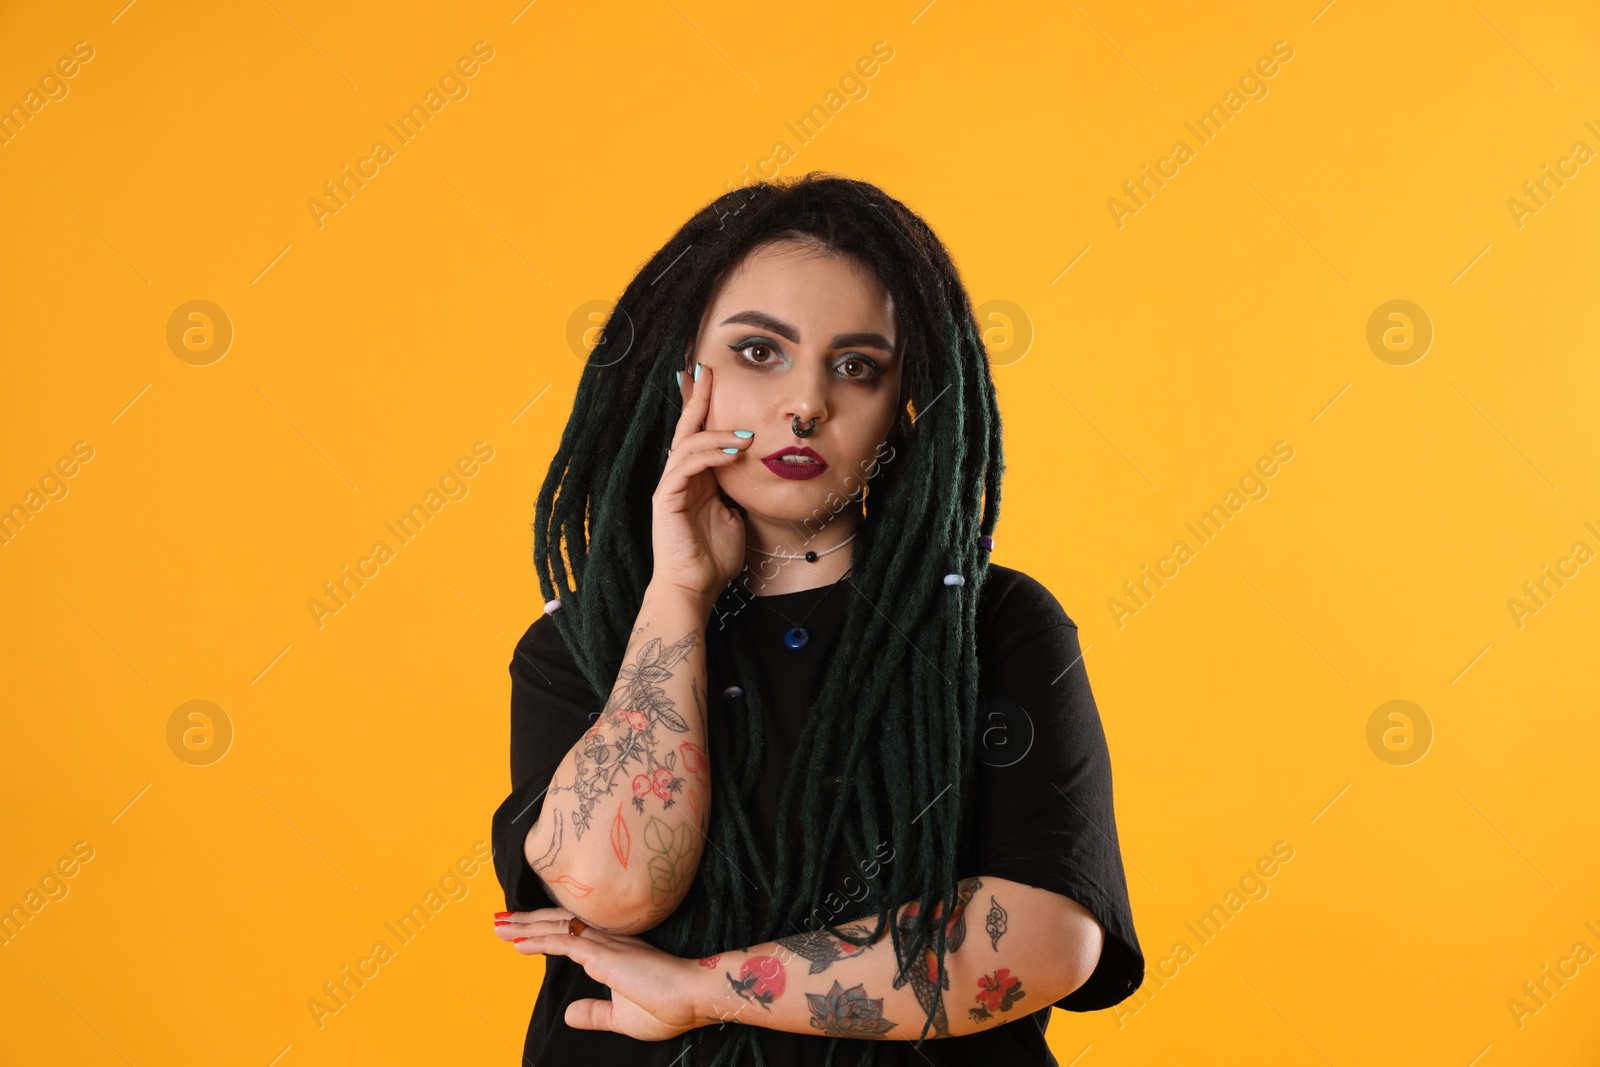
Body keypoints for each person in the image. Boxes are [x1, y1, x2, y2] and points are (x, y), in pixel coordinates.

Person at [490, 173, 1144, 1066]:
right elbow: (613, 889)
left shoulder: (999, 625)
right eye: (760, 351)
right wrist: (675, 596)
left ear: (900, 406)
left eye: (856, 366)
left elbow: (1046, 938)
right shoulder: (583, 644)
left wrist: (699, 990)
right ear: (685, 374)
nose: (806, 403)